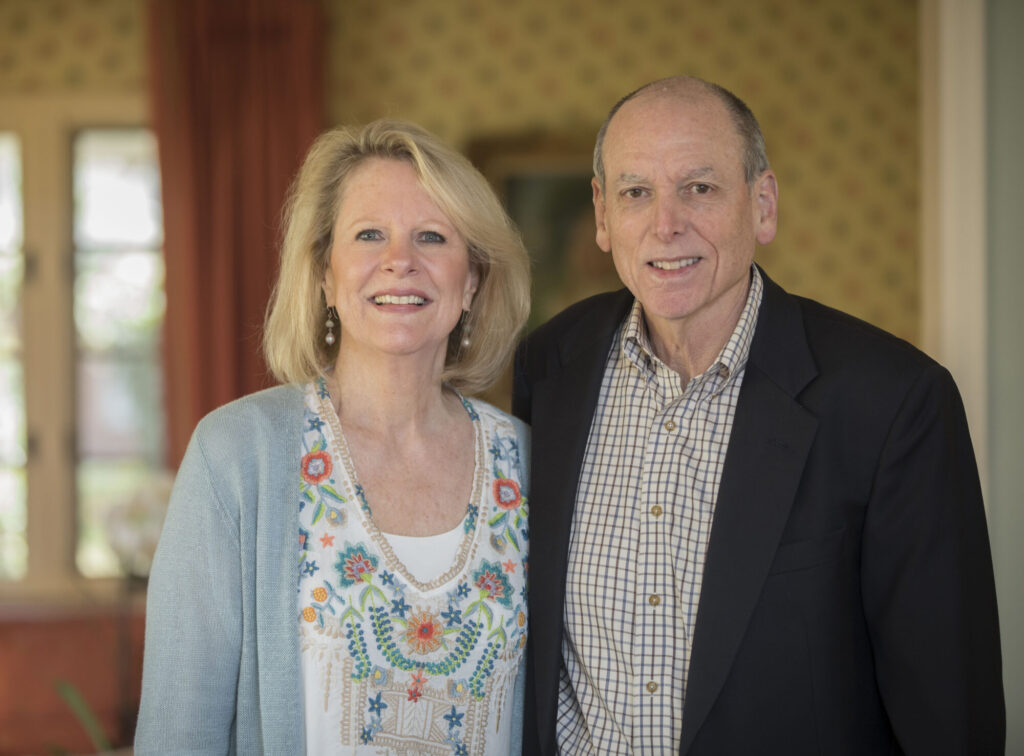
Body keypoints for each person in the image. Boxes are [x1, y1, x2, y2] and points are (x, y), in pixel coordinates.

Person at [512, 76, 1004, 755]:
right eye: (636, 193)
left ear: (763, 204)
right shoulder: (547, 369)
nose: (666, 224)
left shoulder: (894, 403)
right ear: (601, 214)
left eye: (700, 188)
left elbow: (950, 717)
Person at [136, 120, 532, 754]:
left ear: (473, 281)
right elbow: (180, 730)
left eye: (431, 237)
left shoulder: (528, 460)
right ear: (324, 273)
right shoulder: (236, 456)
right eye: (369, 234)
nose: (399, 260)